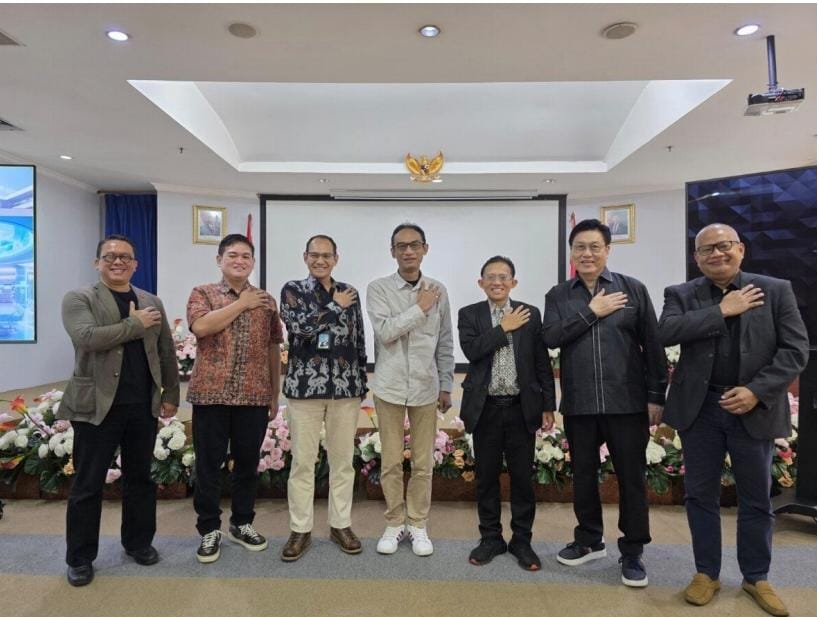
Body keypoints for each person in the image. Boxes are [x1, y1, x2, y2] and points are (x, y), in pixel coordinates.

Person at [658, 223, 808, 616]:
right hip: (701, 410)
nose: (715, 254)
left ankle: (757, 576)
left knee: (756, 498)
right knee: (700, 497)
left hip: (752, 408)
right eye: (706, 249)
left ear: (740, 249)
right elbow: (666, 332)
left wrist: (757, 390)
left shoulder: (775, 289)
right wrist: (721, 310)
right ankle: (706, 573)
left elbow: (795, 351)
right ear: (696, 257)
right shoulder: (682, 294)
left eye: (723, 246)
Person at [543, 218, 667, 588]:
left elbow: (654, 346)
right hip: (580, 403)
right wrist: (591, 312)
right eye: (579, 247)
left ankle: (632, 551)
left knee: (631, 478)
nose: (587, 253)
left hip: (626, 402)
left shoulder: (633, 289)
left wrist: (656, 396)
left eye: (594, 246)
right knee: (583, 476)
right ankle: (589, 539)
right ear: (571, 253)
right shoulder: (559, 295)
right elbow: (550, 337)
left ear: (608, 250)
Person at [60, 234, 179, 586]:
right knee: (87, 484)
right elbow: (87, 337)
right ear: (97, 262)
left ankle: (138, 543)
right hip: (96, 406)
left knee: (141, 480)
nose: (117, 261)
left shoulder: (150, 300)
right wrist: (134, 325)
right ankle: (80, 558)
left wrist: (170, 392)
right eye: (110, 256)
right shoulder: (79, 298)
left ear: (135, 264)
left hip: (142, 406)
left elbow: (166, 350)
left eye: (125, 257)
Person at [186, 233, 283, 563]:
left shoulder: (268, 301)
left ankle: (242, 523)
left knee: (247, 465)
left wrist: (274, 393)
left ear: (253, 262)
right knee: (208, 465)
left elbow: (273, 346)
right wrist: (241, 303)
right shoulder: (204, 292)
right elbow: (200, 327)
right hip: (211, 394)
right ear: (219, 260)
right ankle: (209, 528)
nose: (239, 261)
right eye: (232, 255)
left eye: (246, 256)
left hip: (254, 395)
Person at [457, 255, 556, 571]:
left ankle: (522, 541)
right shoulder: (469, 314)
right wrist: (503, 327)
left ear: (513, 282)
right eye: (490, 276)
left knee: (522, 480)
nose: (496, 282)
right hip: (486, 409)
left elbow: (542, 361)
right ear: (481, 282)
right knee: (485, 478)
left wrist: (548, 405)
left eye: (503, 277)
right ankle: (491, 538)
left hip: (520, 407)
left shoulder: (530, 314)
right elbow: (473, 351)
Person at [366, 223, 454, 556]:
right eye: (401, 246)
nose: (408, 251)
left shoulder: (439, 289)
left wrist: (446, 383)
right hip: (388, 386)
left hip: (425, 387)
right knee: (389, 461)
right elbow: (386, 332)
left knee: (422, 463)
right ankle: (394, 522)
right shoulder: (378, 289)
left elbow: (445, 340)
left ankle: (417, 524)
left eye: (414, 245)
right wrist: (420, 307)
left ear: (425, 249)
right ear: (392, 252)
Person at [278, 234, 368, 561]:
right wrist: (333, 307)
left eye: (326, 255)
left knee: (343, 461)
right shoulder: (292, 290)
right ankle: (300, 529)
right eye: (314, 255)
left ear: (336, 258)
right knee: (303, 462)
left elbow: (358, 339)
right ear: (305, 257)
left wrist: (361, 381)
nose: (320, 261)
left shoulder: (350, 293)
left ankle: (340, 524)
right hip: (304, 389)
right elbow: (299, 328)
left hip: (346, 390)